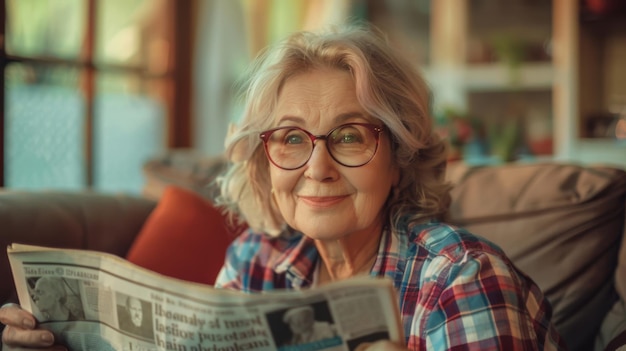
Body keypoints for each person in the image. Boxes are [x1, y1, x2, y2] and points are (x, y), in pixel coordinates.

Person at [0, 24, 566, 350]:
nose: (317, 168)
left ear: (398, 156)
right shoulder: (256, 261)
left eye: (348, 136)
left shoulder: (461, 278)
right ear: (264, 159)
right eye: (292, 138)